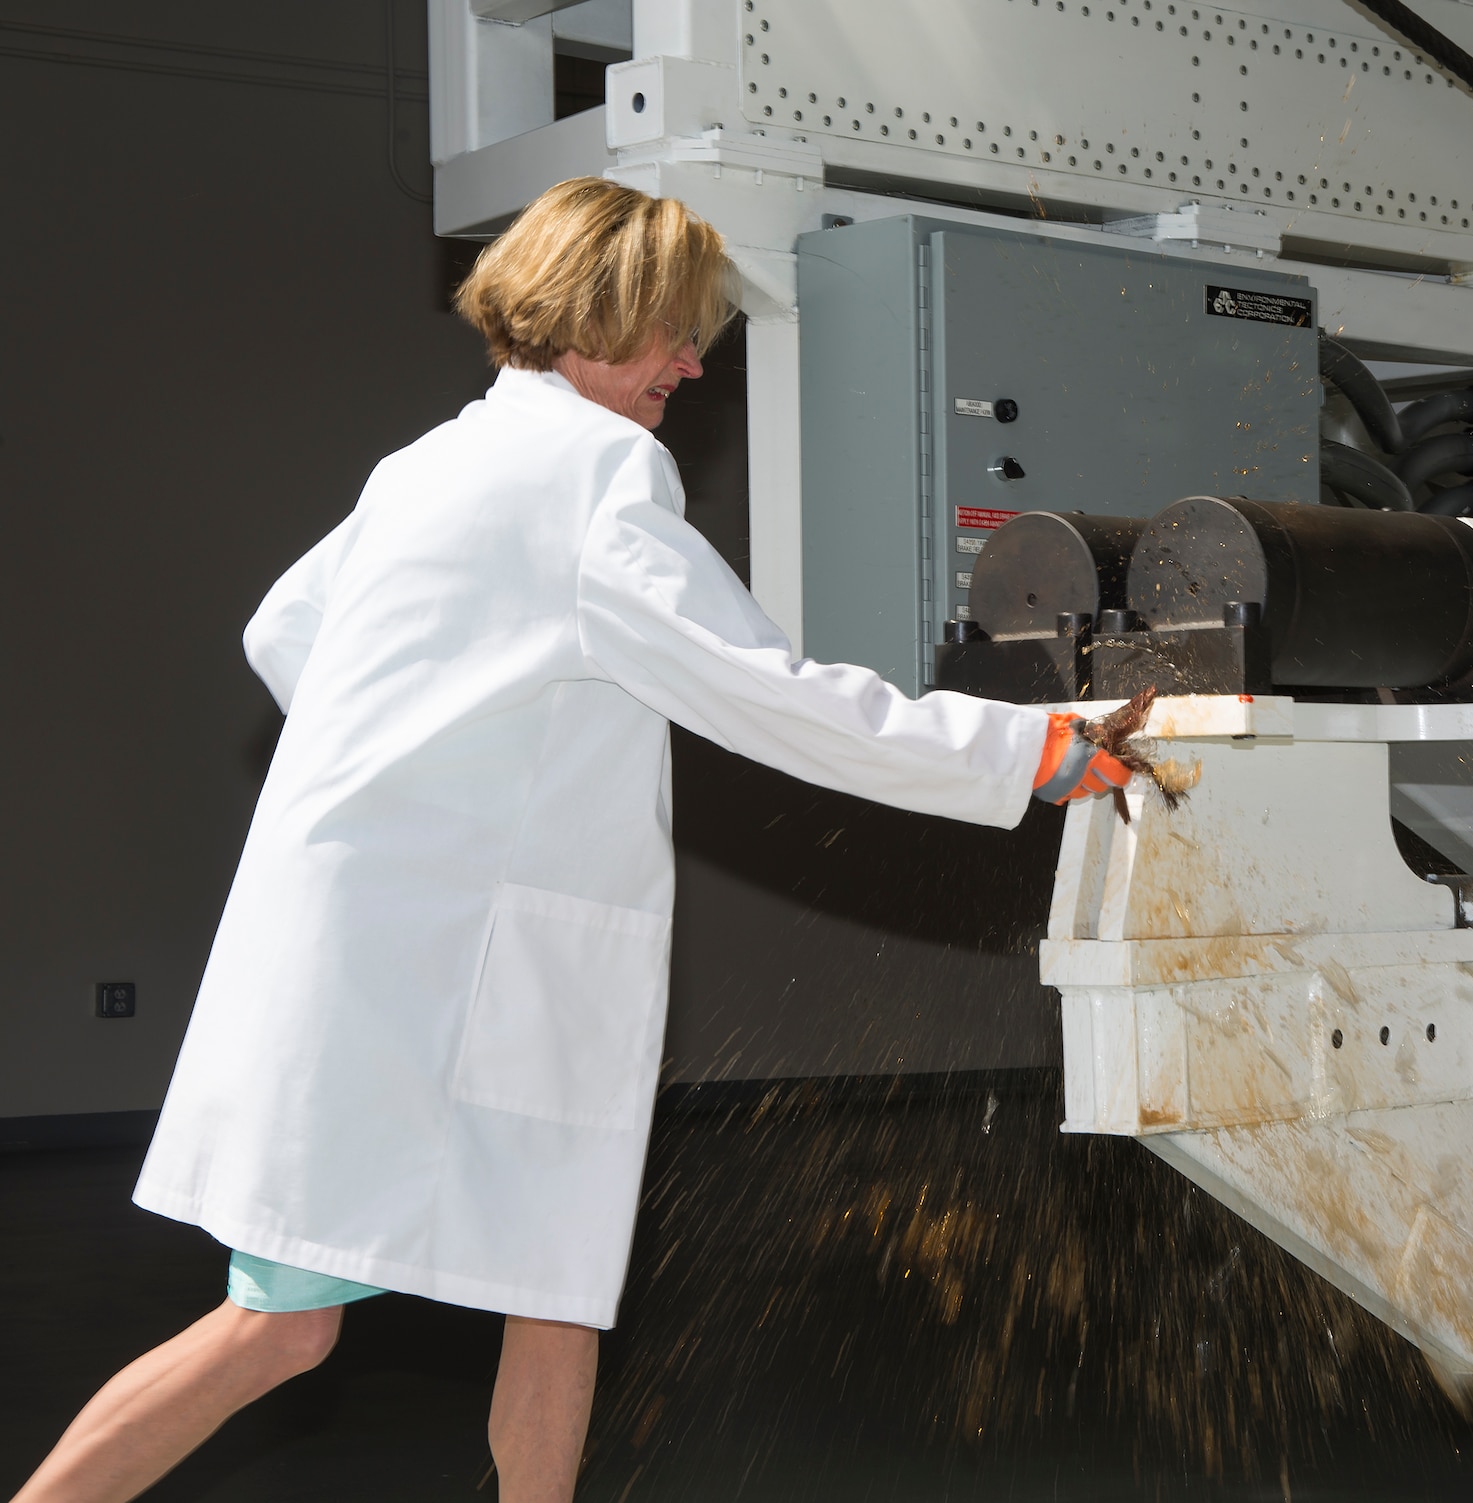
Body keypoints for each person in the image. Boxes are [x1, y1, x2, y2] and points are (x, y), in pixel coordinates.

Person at [10, 178, 1136, 1503]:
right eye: (669, 328)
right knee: (291, 1323)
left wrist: (415, 761)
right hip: (434, 975)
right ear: (585, 316)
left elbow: (280, 633)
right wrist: (1034, 749)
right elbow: (765, 694)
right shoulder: (597, 477)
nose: (691, 360)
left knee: (548, 1285)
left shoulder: (428, 463)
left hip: (408, 945)